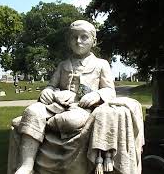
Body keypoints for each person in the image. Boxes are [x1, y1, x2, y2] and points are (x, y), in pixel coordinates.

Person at [15, 20, 116, 174]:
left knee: (69, 121)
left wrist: (97, 95)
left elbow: (110, 90)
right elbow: (51, 85)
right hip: (57, 105)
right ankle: (26, 165)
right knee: (32, 111)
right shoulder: (63, 65)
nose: (78, 41)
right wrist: (48, 92)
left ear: (93, 41)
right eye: (74, 37)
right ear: (69, 41)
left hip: (82, 108)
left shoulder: (101, 64)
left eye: (84, 37)